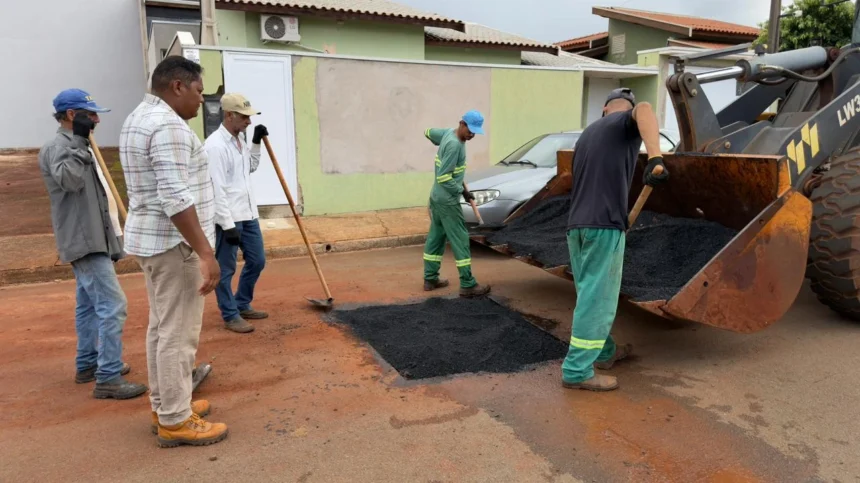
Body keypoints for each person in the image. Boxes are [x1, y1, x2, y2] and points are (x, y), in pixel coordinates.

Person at [119, 55, 227, 447]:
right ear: (177, 86)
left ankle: (167, 404)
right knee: (178, 335)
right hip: (174, 244)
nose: (202, 101)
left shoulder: (139, 117)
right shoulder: (167, 127)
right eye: (199, 92)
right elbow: (176, 196)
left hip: (153, 242)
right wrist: (206, 253)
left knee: (161, 330)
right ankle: (175, 421)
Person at [38, 88, 147, 400]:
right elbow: (69, 182)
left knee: (87, 305)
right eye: (91, 114)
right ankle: (108, 376)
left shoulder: (81, 143)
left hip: (94, 237)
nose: (97, 119)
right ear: (72, 115)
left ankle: (88, 364)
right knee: (113, 305)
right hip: (83, 241)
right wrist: (79, 145)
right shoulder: (58, 147)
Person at [561, 88, 669, 392]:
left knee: (589, 294)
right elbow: (646, 109)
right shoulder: (625, 120)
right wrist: (656, 158)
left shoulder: (587, 134)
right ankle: (577, 370)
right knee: (598, 299)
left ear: (604, 109)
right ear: (621, 112)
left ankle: (605, 352)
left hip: (577, 226)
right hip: (603, 226)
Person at [204, 93, 269, 334]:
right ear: (228, 115)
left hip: (248, 214)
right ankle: (230, 314)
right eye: (244, 117)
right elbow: (216, 188)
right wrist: (226, 223)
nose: (248, 122)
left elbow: (250, 167)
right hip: (229, 219)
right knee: (226, 269)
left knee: (257, 260)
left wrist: (256, 142)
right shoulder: (215, 147)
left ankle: (242, 303)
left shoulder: (240, 141)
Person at [422, 110, 491, 298]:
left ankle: (430, 278)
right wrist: (462, 191)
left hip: (436, 197)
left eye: (475, 132)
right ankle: (468, 284)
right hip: (447, 200)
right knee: (460, 239)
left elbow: (428, 132)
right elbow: (444, 177)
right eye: (470, 130)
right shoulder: (454, 145)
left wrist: (436, 138)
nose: (472, 135)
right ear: (462, 123)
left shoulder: (447, 134)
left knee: (436, 237)